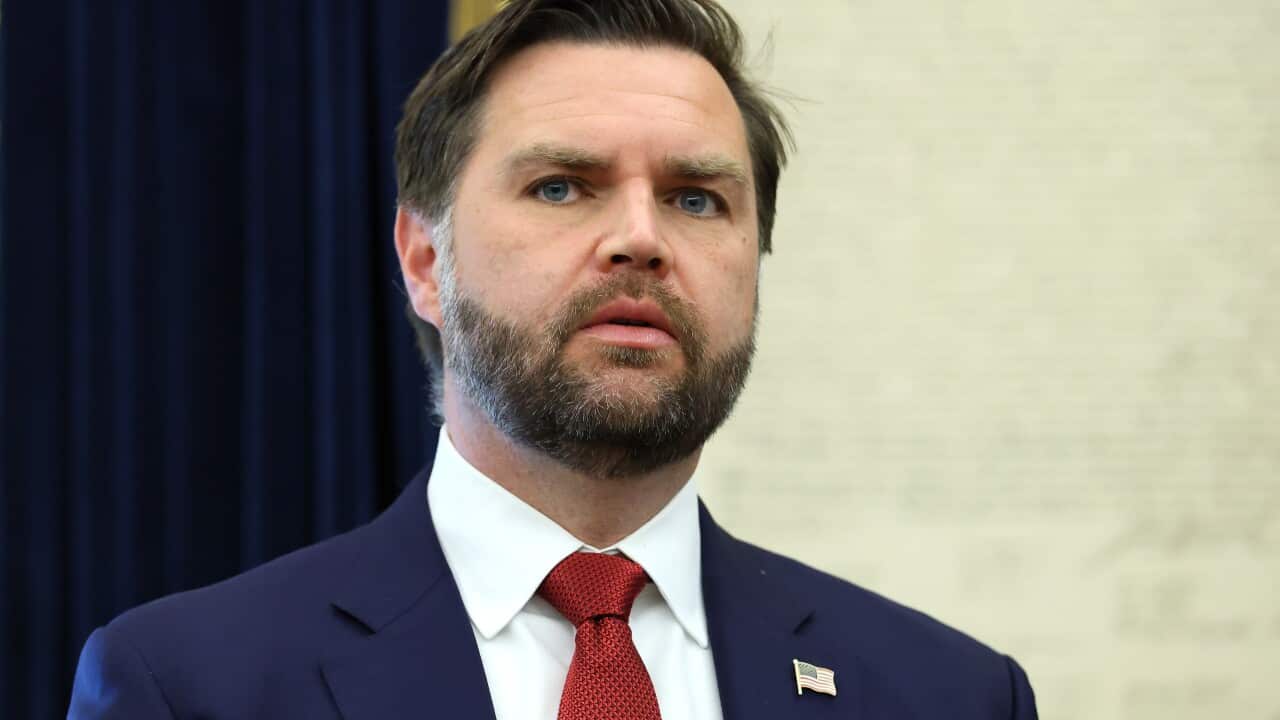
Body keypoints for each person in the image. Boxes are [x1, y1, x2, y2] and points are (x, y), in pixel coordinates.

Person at [69, 1, 1038, 718]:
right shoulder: (189, 683)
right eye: (562, 186)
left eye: (696, 198)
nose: (639, 239)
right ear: (422, 260)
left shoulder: (945, 693)